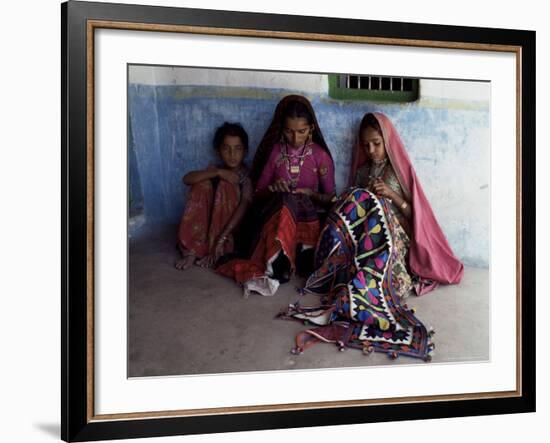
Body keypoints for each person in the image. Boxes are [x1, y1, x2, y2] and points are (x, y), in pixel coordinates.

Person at [279, 112, 464, 361]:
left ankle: (374, 281)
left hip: (394, 239)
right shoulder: (363, 171)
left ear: (387, 141)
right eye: (366, 145)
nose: (372, 150)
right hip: (366, 240)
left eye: (377, 143)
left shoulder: (400, 171)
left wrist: (391, 196)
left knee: (376, 209)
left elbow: (415, 217)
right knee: (354, 200)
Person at [216, 95, 336, 296]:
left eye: (302, 131)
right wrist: (273, 188)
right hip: (275, 215)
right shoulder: (275, 152)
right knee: (284, 201)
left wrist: (309, 193)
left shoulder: (320, 156)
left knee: (296, 201)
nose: (295, 138)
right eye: (289, 131)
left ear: (311, 130)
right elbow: (257, 194)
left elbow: (331, 198)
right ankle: (278, 262)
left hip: (307, 218)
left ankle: (294, 259)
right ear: (281, 129)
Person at [175, 122, 252, 270]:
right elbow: (187, 179)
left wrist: (221, 239)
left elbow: (244, 206)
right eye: (226, 148)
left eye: (238, 149)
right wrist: (218, 172)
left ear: (245, 151)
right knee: (201, 184)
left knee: (226, 186)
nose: (232, 154)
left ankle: (215, 249)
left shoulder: (245, 177)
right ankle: (192, 249)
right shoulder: (215, 169)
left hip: (231, 230)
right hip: (208, 226)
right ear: (218, 151)